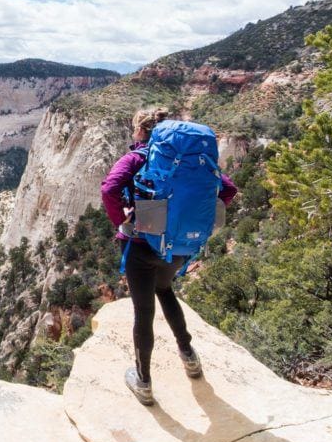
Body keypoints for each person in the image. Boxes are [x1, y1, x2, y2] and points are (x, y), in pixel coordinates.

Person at [100, 108, 238, 406]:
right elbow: (227, 189)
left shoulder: (137, 158)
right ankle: (189, 358)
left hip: (141, 244)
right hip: (178, 248)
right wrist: (193, 219)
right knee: (164, 289)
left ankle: (143, 382)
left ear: (141, 131)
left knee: (143, 312)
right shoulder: (190, 161)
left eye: (135, 129)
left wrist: (122, 221)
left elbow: (110, 189)